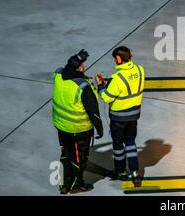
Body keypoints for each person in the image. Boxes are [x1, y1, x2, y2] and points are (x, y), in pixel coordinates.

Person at [52, 49, 103, 194]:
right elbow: (93, 112)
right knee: (79, 158)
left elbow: (67, 70)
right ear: (79, 68)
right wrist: (99, 129)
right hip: (78, 129)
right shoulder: (83, 87)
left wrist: (77, 59)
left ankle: (64, 184)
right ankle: (76, 185)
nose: (84, 66)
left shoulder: (58, 75)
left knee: (65, 154)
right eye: (82, 65)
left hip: (61, 126)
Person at [95, 46, 145, 181]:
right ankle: (134, 171)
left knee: (118, 145)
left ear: (118, 59)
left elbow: (106, 97)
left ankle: (120, 171)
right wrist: (109, 82)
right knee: (130, 142)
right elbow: (129, 83)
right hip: (134, 115)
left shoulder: (117, 78)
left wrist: (100, 86)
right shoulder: (140, 70)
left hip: (119, 118)